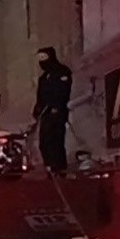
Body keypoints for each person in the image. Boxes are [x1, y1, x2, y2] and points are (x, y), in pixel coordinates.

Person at [33, 46, 72, 174]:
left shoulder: (62, 72)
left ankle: (59, 169)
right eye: (40, 59)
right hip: (46, 115)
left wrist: (56, 106)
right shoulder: (43, 78)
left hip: (57, 114)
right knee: (44, 142)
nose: (42, 62)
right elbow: (40, 97)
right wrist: (38, 109)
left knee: (56, 141)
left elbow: (63, 92)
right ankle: (50, 168)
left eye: (44, 58)